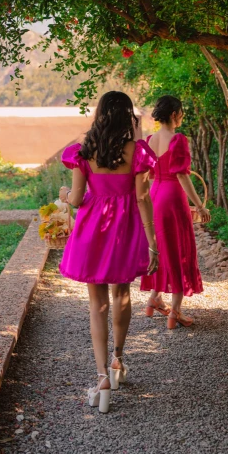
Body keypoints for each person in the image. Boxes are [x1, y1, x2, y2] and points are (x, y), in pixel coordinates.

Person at [58, 91, 158, 414]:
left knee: (96, 305)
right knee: (122, 295)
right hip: (124, 233)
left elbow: (74, 199)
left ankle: (102, 377)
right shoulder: (137, 152)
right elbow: (143, 197)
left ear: (100, 114)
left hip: (92, 233)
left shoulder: (85, 151)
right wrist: (152, 241)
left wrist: (63, 193)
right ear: (128, 116)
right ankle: (117, 360)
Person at [141, 95, 210, 329]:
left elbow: (148, 175)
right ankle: (175, 312)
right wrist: (200, 205)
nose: (182, 117)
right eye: (181, 113)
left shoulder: (150, 140)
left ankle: (154, 298)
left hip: (156, 195)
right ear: (173, 114)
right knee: (178, 249)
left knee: (160, 248)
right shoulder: (178, 139)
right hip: (173, 197)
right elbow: (182, 175)